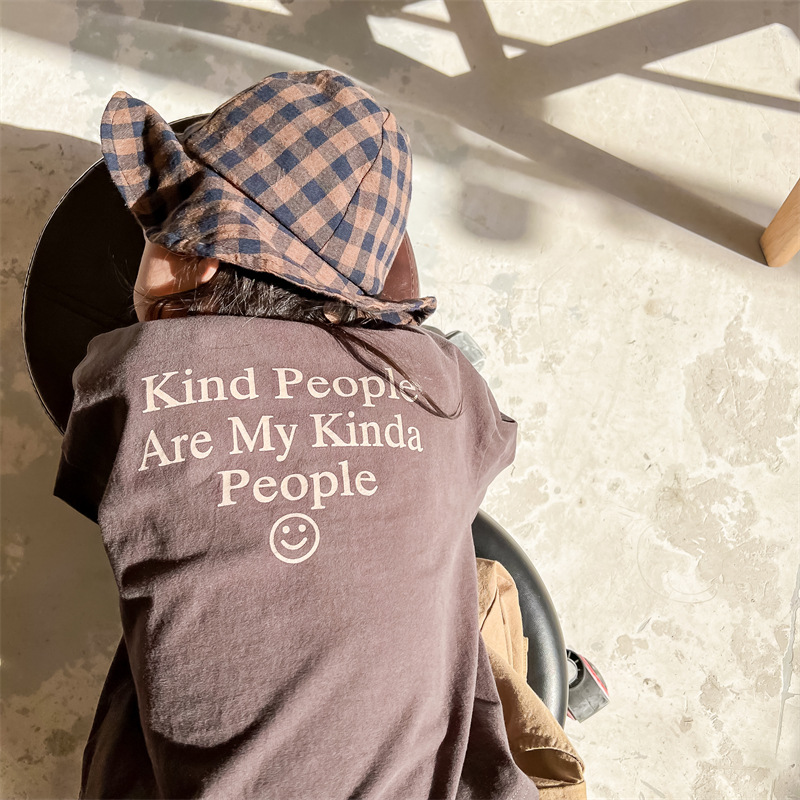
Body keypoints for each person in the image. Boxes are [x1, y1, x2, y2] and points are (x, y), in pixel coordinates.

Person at [54, 69, 534, 799]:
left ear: (192, 259)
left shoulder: (123, 378)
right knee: (467, 597)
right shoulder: (446, 382)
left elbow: (103, 496)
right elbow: (486, 454)